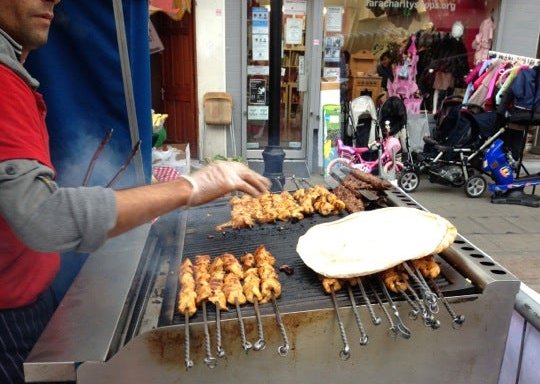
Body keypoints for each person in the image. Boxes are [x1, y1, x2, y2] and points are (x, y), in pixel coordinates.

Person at [0, 1, 271, 382]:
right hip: (8, 318)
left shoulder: (14, 75)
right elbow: (45, 216)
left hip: (28, 297)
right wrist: (192, 186)